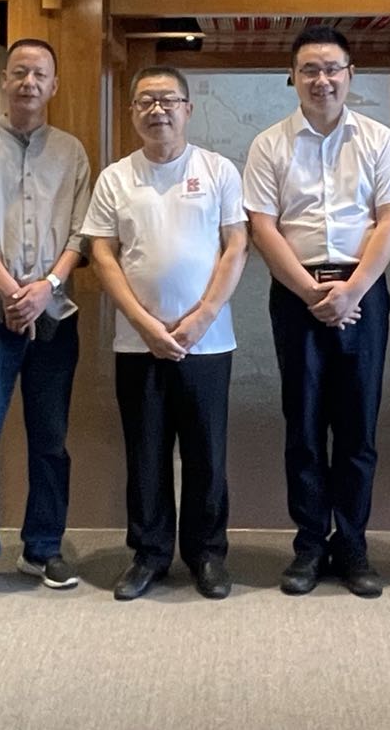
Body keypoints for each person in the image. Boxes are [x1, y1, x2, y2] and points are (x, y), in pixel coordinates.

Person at [243, 25, 390, 598]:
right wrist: (312, 294)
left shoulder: (379, 140)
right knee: (305, 424)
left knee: (359, 425)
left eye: (332, 68)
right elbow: (263, 227)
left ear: (350, 75)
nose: (322, 79)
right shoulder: (269, 144)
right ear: (292, 77)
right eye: (310, 70)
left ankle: (354, 543)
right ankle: (310, 543)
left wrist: (353, 290)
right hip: (297, 294)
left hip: (363, 291)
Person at [83, 67, 248, 601]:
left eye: (168, 100)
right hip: (139, 343)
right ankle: (150, 553)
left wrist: (203, 316)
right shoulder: (115, 178)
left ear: (188, 109)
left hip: (208, 340)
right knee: (146, 453)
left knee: (206, 454)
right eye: (146, 101)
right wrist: (143, 322)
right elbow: (102, 253)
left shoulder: (218, 170)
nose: (158, 110)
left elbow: (236, 246)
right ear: (132, 111)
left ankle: (207, 553)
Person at [0, 38, 91, 605]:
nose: (29, 82)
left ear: (54, 85)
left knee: (50, 439)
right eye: (20, 73)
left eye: (40, 75)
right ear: (4, 80)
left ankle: (43, 547)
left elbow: (82, 232)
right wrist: (12, 293)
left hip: (54, 316)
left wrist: (45, 288)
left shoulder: (72, 152)